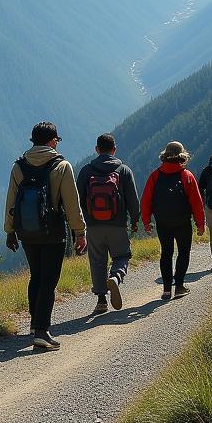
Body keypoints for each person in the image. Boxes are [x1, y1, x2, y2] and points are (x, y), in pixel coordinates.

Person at [5, 121, 87, 349]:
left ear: (33, 141)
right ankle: (42, 331)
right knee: (49, 281)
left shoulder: (18, 166)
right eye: (57, 140)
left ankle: (34, 324)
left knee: (36, 276)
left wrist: (10, 231)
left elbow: (11, 201)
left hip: (27, 231)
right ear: (53, 141)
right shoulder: (62, 166)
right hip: (53, 231)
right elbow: (72, 203)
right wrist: (80, 232)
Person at [76, 133, 140, 315]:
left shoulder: (86, 171)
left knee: (97, 261)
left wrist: (81, 225)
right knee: (122, 255)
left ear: (97, 149)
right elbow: (133, 200)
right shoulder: (123, 170)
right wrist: (134, 220)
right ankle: (116, 276)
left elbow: (78, 201)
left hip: (94, 226)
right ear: (114, 150)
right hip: (118, 224)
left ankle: (101, 301)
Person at [140, 141, 205, 299]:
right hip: (182, 222)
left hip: (163, 223)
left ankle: (167, 289)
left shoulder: (155, 176)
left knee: (166, 254)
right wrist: (200, 224)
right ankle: (180, 286)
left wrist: (147, 221)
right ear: (182, 155)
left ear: (165, 155)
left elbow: (146, 200)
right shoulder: (186, 176)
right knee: (183, 253)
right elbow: (196, 202)